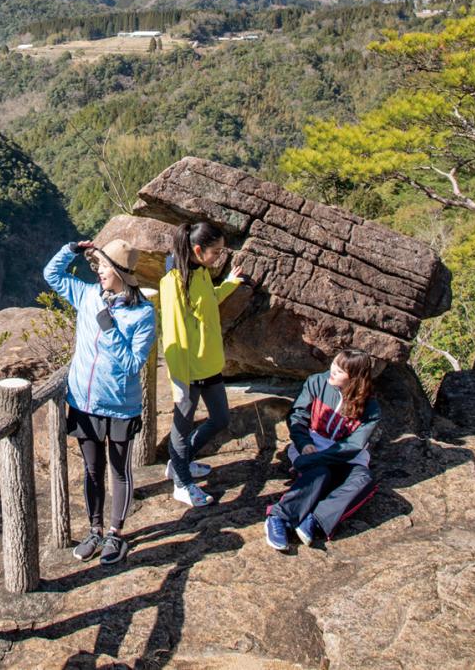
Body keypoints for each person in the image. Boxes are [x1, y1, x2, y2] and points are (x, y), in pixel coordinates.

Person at [44, 238, 157, 565]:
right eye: (98, 266)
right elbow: (51, 275)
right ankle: (94, 530)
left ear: (121, 271)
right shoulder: (88, 295)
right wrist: (70, 250)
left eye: (104, 266)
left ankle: (115, 533)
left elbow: (134, 364)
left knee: (119, 471)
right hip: (84, 401)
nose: (99, 272)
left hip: (120, 405)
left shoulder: (142, 314)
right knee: (92, 471)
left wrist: (109, 329)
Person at [155, 221, 252, 507]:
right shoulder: (174, 281)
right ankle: (182, 483)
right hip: (189, 370)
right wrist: (179, 381)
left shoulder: (201, 273)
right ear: (197, 249)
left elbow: (208, 302)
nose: (219, 256)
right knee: (181, 428)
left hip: (209, 364)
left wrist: (230, 285)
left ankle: (180, 462)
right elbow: (172, 332)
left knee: (220, 418)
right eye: (216, 251)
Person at [264, 348, 382, 551]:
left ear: (354, 378)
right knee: (320, 474)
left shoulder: (370, 408)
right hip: (312, 446)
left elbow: (353, 446)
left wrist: (311, 461)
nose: (332, 370)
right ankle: (279, 517)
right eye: (334, 363)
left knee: (363, 480)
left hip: (346, 458)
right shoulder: (316, 382)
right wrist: (304, 444)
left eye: (340, 369)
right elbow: (297, 416)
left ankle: (315, 520)